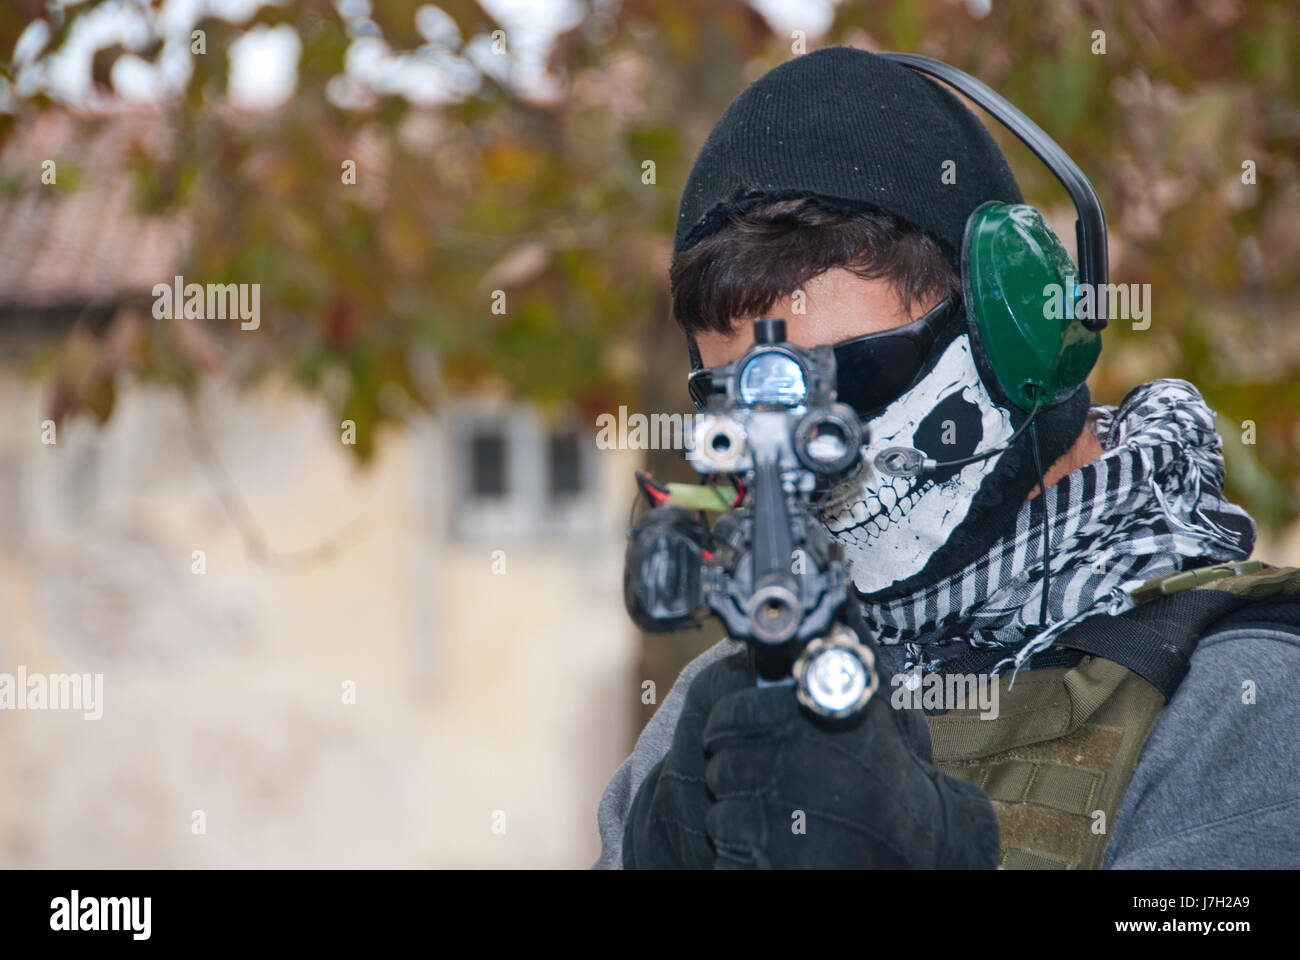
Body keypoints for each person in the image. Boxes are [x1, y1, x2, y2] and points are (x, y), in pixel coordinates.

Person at [593, 47, 1300, 869]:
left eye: (854, 373)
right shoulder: (719, 709)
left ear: (1015, 331)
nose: (810, 446)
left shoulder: (1243, 699)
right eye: (749, 404)